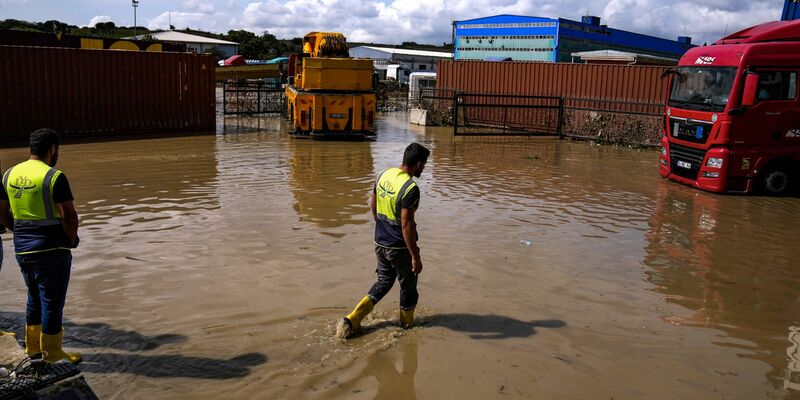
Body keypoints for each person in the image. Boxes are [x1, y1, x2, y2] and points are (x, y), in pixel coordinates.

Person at [0, 129, 81, 363]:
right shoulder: (54, 176)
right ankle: (52, 352)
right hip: (52, 249)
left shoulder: (9, 174)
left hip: (23, 249)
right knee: (52, 302)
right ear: (52, 149)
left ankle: (33, 348)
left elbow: (2, 213)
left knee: (34, 298)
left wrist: (21, 233)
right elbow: (70, 217)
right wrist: (70, 240)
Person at [337, 143, 430, 339]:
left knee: (384, 282)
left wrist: (381, 230)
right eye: (425, 164)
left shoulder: (383, 175)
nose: (424, 168)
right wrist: (415, 256)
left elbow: (373, 203)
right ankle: (407, 327)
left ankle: (352, 320)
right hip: (399, 248)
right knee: (408, 288)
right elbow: (406, 225)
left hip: (380, 243)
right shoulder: (410, 188)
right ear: (418, 163)